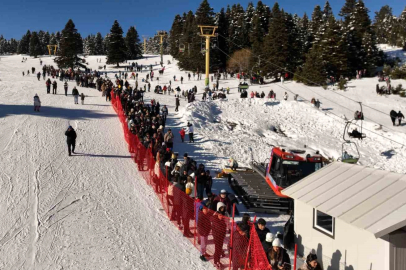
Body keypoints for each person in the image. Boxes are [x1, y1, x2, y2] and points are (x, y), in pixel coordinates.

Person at [211, 202, 227, 269]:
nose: (222, 209)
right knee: (217, 249)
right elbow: (218, 226)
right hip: (217, 236)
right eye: (221, 208)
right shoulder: (215, 218)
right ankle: (215, 262)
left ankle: (218, 261)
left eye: (223, 208)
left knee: (219, 249)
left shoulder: (223, 217)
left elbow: (225, 225)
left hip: (221, 236)